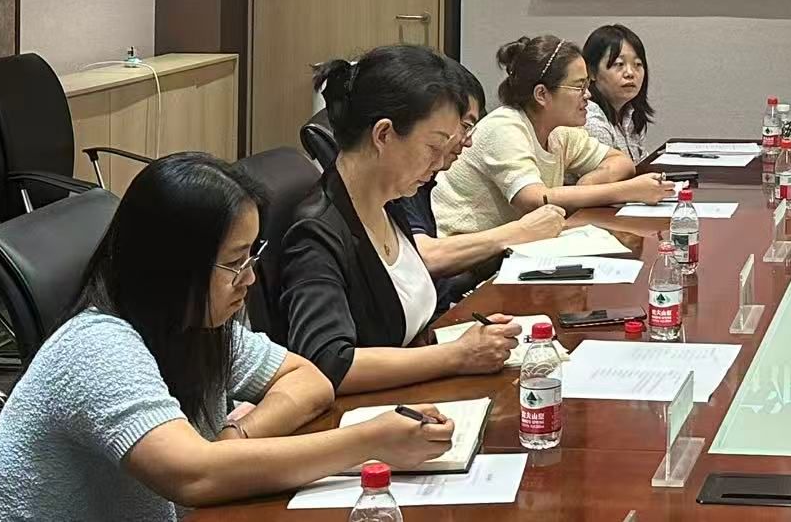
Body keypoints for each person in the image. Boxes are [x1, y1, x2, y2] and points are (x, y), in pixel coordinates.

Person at [0, 153, 457, 521]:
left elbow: (309, 380)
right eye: (235, 263)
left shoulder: (194, 323)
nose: (249, 279)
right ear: (172, 267)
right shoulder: (97, 348)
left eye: (252, 256)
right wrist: (368, 442)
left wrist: (236, 434)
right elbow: (193, 476)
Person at [281, 44, 522, 393]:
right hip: (370, 412)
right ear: (383, 135)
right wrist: (457, 355)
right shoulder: (316, 232)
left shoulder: (391, 200)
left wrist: (468, 343)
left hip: (416, 389)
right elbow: (327, 362)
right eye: (434, 147)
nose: (441, 162)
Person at [432, 34, 669, 237]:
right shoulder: (505, 127)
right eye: (578, 87)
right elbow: (533, 200)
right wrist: (629, 190)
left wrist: (589, 184)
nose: (587, 95)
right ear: (542, 94)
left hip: (511, 247)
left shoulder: (560, 131)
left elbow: (620, 162)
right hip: (464, 254)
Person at [388, 67, 566, 306]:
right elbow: (424, 256)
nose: (468, 141)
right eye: (464, 126)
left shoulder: (421, 179)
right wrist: (522, 231)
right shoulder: (398, 179)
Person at [578, 23, 655, 168]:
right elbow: (609, 177)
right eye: (619, 64)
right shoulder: (590, 120)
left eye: (638, 64)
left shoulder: (628, 114)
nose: (630, 73)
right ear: (591, 72)